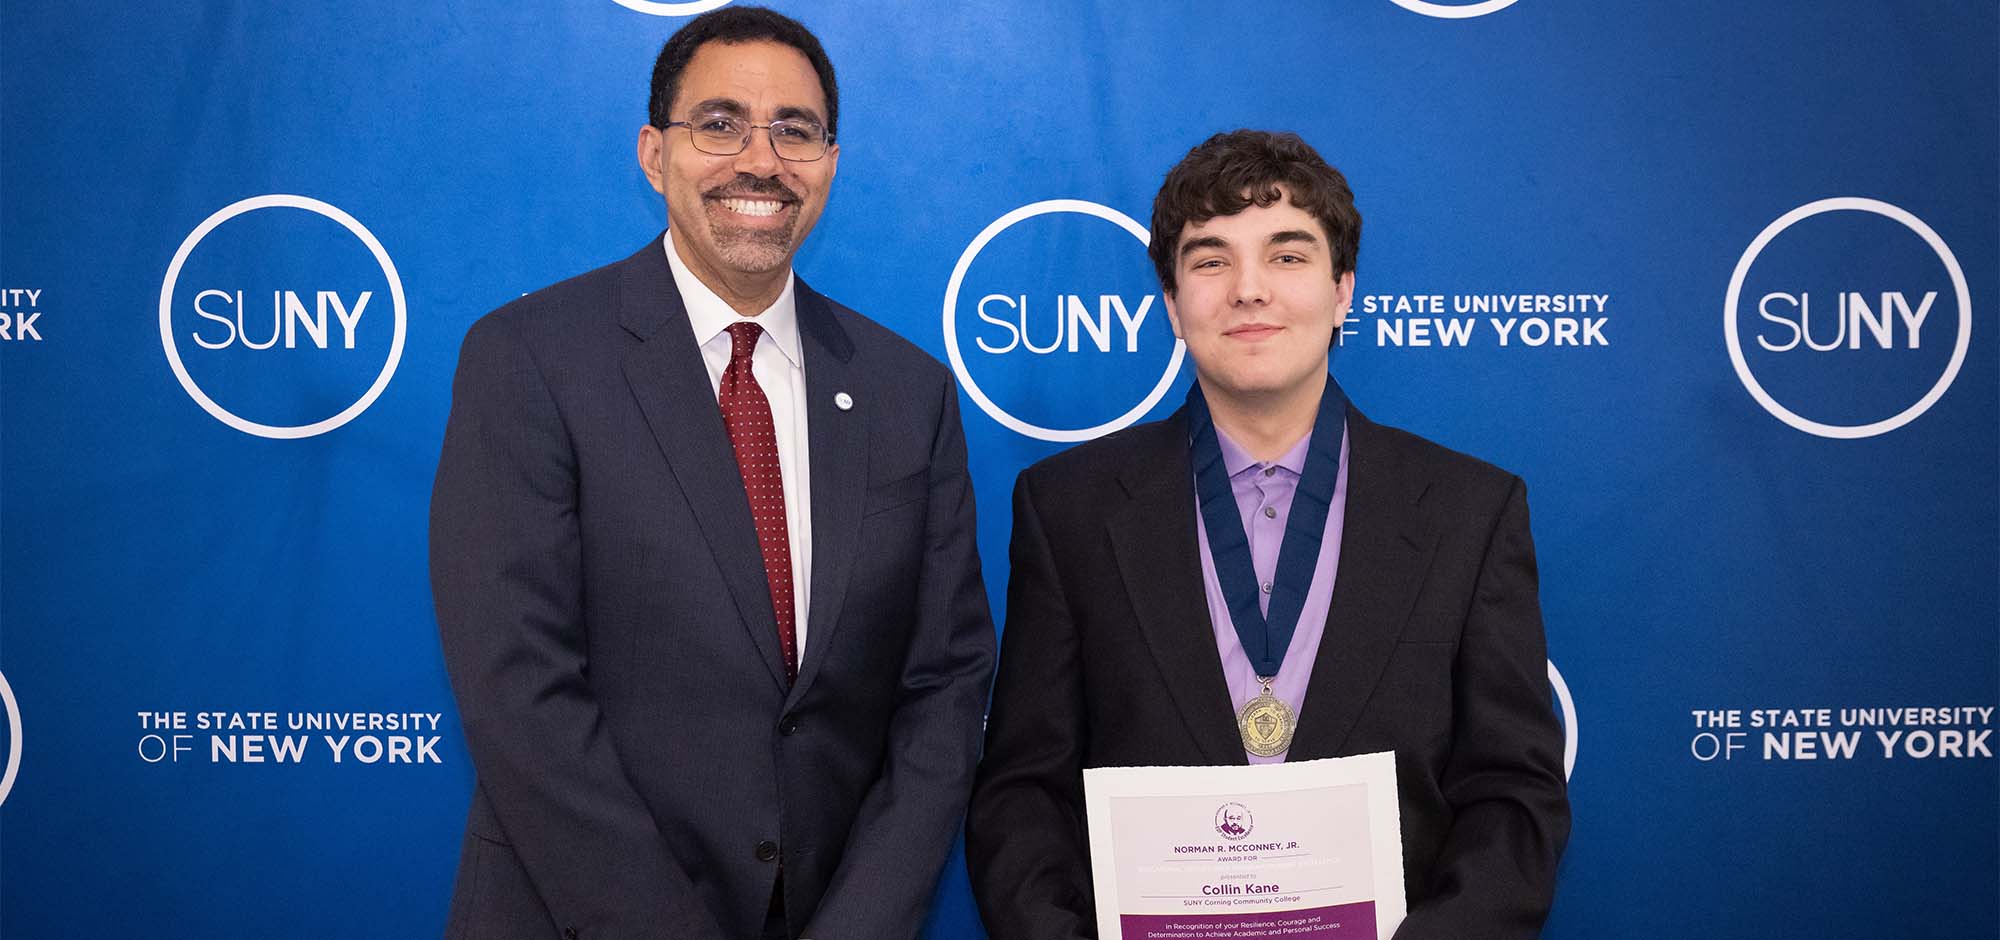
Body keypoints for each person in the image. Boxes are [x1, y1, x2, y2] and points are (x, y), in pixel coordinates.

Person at [429, 8, 994, 939]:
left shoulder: (907, 392)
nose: (760, 161)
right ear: (655, 153)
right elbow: (517, 686)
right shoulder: (529, 358)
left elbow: (945, 686)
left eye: (795, 131)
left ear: (830, 163)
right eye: (720, 123)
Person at [965, 130, 1569, 939]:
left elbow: (1512, 794)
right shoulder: (1066, 509)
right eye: (1211, 260)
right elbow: (1023, 793)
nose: (1249, 290)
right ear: (1174, 304)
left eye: (1287, 256)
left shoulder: (1470, 510)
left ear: (1343, 290)